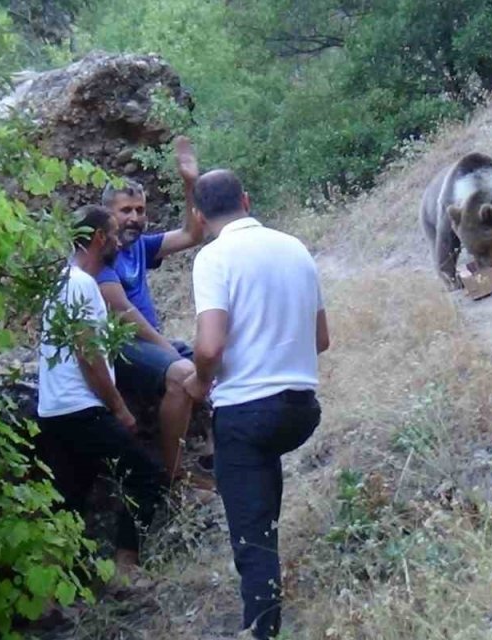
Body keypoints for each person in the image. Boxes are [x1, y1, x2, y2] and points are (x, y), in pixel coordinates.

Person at [185, 169, 331, 639]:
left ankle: (262, 630)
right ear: (246, 201)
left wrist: (198, 383)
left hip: (247, 412)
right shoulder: (295, 248)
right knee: (261, 494)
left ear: (198, 216)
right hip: (301, 408)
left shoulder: (213, 258)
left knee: (252, 539)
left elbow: (209, 346)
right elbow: (321, 339)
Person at [36, 204, 165, 574]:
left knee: (70, 497)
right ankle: (126, 566)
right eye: (113, 235)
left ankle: (57, 586)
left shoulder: (60, 282)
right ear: (98, 238)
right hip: (81, 408)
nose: (118, 244)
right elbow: (88, 353)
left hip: (54, 408)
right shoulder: (81, 284)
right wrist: (119, 408)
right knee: (145, 474)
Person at [96, 136, 210, 487]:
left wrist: (190, 183)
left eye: (140, 210)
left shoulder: (140, 247)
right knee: (181, 373)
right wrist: (166, 348)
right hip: (120, 346)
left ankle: (216, 451)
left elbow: (192, 234)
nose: (134, 218)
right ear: (108, 214)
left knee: (219, 363)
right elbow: (123, 312)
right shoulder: (100, 255)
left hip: (150, 343)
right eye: (125, 211)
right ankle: (173, 475)